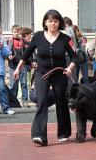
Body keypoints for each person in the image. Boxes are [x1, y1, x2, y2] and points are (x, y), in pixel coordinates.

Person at [13, 9, 75, 146]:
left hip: (60, 74)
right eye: (50, 21)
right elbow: (26, 54)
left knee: (61, 102)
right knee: (41, 101)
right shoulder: (38, 36)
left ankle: (63, 132)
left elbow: (75, 56)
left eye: (55, 21)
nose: (53, 23)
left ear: (59, 23)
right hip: (42, 73)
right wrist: (18, 68)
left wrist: (70, 68)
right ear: (45, 22)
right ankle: (39, 135)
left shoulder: (65, 38)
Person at [8, 24, 30, 106]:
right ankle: (14, 101)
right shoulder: (9, 41)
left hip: (22, 65)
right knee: (14, 84)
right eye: (14, 32)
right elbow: (6, 51)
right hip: (13, 66)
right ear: (12, 33)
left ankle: (25, 100)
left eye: (18, 32)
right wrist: (8, 56)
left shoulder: (23, 41)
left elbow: (29, 50)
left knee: (24, 84)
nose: (16, 33)